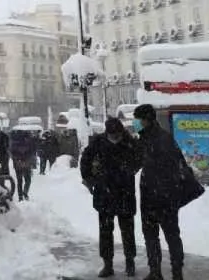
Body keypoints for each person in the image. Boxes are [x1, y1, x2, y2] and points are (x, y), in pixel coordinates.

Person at [134, 104, 200, 280]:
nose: (136, 123)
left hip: (163, 197)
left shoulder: (162, 139)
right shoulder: (146, 138)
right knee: (152, 235)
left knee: (170, 235)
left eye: (137, 119)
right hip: (151, 196)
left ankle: (176, 272)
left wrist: (161, 191)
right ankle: (155, 271)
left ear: (146, 120)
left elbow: (168, 169)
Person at [81, 118, 139, 278]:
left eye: (118, 135)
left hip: (124, 193)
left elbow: (139, 159)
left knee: (128, 231)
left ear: (122, 132)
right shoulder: (97, 142)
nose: (115, 138)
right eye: (112, 135)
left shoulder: (130, 142)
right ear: (107, 133)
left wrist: (129, 169)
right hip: (104, 194)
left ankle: (130, 261)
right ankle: (107, 264)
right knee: (105, 231)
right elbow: (85, 160)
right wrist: (89, 178)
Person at [10, 128, 38, 201]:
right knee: (28, 180)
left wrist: (16, 160)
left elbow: (12, 153)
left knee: (19, 181)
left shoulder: (14, 141)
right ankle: (25, 192)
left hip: (17, 163)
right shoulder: (29, 141)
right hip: (26, 162)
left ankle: (20, 197)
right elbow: (32, 152)